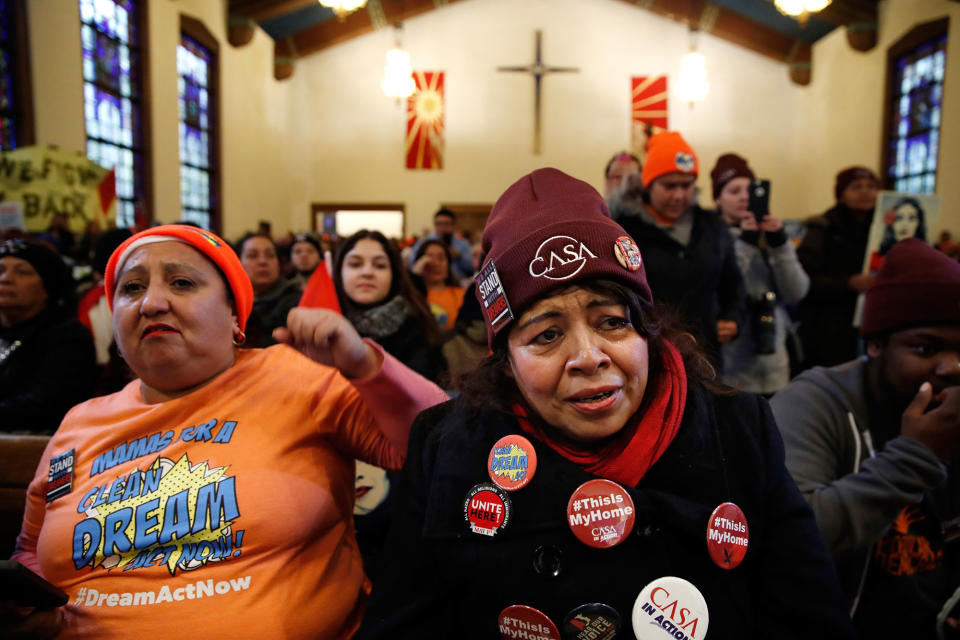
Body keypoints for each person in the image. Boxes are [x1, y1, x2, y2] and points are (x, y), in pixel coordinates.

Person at [359, 168, 854, 638]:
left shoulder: (740, 432)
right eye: (547, 334)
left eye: (612, 322)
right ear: (505, 360)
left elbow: (810, 624)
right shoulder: (448, 449)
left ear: (647, 328)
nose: (588, 357)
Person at [6, 224, 447, 639]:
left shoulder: (296, 376)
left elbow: (446, 446)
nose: (152, 302)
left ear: (235, 313)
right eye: (131, 288)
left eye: (182, 283)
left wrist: (366, 368)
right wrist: (30, 614)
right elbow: (32, 552)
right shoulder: (80, 423)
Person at [771, 238, 960, 639]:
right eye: (926, 348)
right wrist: (917, 457)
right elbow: (792, 538)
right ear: (875, 344)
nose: (951, 367)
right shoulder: (814, 402)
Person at [613, 131, 745, 368]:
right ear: (649, 184)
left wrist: (733, 317)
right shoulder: (625, 230)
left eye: (687, 185)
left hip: (706, 354)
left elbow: (733, 281)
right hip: (650, 355)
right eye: (669, 186)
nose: (679, 195)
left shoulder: (711, 226)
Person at [711, 153, 809, 395]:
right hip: (732, 366)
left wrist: (779, 243)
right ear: (717, 200)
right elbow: (718, 288)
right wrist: (745, 243)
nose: (744, 197)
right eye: (734, 191)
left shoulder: (772, 237)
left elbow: (796, 291)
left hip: (775, 363)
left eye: (750, 189)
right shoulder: (710, 238)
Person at [0, 239, 97, 433]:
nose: (5, 278)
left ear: (47, 287)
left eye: (22, 272)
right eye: (1, 270)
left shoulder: (68, 336)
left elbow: (47, 403)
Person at [334, 229, 445, 384]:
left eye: (379, 265)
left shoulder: (418, 328)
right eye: (355, 264)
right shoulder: (323, 324)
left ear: (394, 275)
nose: (367, 272)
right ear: (339, 272)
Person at [795, 166, 880, 369]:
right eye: (856, 186)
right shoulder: (822, 228)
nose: (865, 192)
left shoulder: (884, 231)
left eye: (871, 186)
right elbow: (803, 281)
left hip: (869, 322)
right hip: (827, 327)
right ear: (841, 194)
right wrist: (848, 283)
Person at [236, 232, 302, 347]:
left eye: (270, 255)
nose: (263, 261)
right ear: (238, 263)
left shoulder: (295, 301)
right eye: (252, 255)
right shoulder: (229, 304)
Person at [410, 239, 465, 331]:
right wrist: (416, 274)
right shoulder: (414, 296)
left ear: (448, 265)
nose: (435, 263)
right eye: (429, 259)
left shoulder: (463, 295)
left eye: (441, 258)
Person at [408, 209, 474, 281]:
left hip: (458, 285)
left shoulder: (463, 244)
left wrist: (459, 256)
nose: (442, 228)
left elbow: (472, 268)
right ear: (434, 225)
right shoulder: (423, 243)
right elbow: (413, 265)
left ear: (454, 225)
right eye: (439, 224)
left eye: (446, 224)